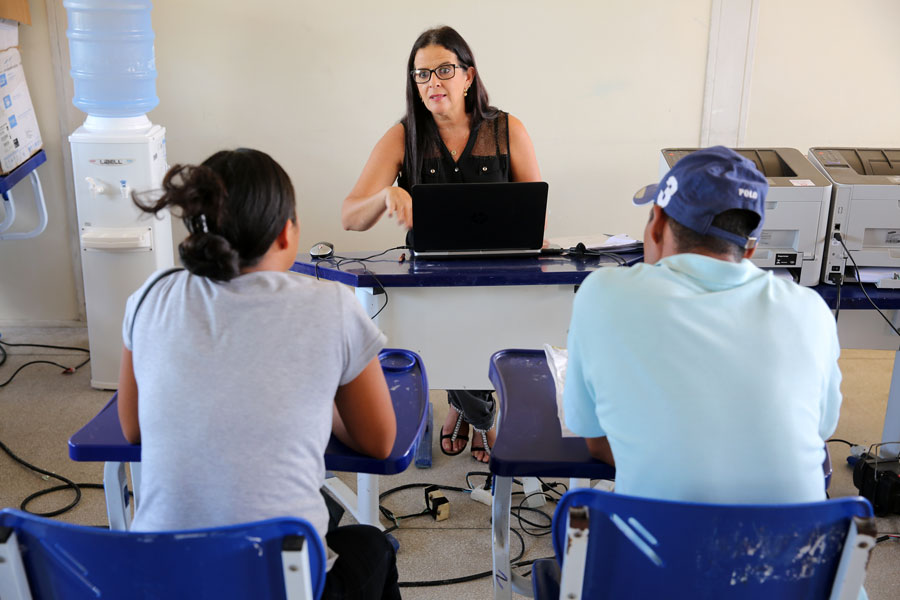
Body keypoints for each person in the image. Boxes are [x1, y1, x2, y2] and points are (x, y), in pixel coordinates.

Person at [117, 148, 401, 599]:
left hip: (162, 579)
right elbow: (379, 442)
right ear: (288, 233)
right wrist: (316, 395)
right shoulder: (332, 306)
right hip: (280, 581)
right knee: (371, 545)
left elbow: (132, 430)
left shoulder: (150, 297)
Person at [563, 146, 843, 505]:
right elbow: (819, 432)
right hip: (795, 555)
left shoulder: (602, 295)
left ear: (658, 223)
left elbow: (594, 439)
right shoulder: (810, 310)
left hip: (654, 554)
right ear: (750, 247)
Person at [341, 25, 542, 462]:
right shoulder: (403, 136)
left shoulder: (509, 130)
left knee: (491, 318)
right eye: (421, 74)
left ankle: (462, 405)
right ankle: (480, 415)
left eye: (444, 70)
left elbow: (535, 217)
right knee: (451, 319)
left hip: (502, 274)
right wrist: (382, 196)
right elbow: (349, 217)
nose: (433, 82)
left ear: (468, 77)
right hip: (429, 277)